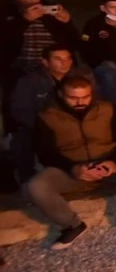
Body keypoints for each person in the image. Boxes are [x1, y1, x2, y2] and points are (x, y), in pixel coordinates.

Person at [30, 77, 116, 249]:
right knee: (37, 186)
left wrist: (114, 161)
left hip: (108, 163)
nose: (80, 102)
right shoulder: (47, 117)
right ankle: (72, 224)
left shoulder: (107, 109)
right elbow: (45, 153)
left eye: (85, 97)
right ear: (60, 95)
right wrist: (72, 168)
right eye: (73, 98)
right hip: (71, 168)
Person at [11, 46, 94, 182]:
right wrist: (45, 127)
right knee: (22, 140)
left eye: (68, 59)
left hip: (77, 123)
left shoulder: (82, 77)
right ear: (45, 62)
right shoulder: (30, 81)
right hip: (43, 126)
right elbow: (21, 110)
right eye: (58, 59)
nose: (64, 63)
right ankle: (28, 180)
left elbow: (96, 103)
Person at [1, 0, 78, 77]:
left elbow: (76, 42)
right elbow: (5, 40)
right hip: (19, 67)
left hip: (54, 65)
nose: (32, 1)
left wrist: (67, 22)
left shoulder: (49, 9)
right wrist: (24, 20)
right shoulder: (5, 11)